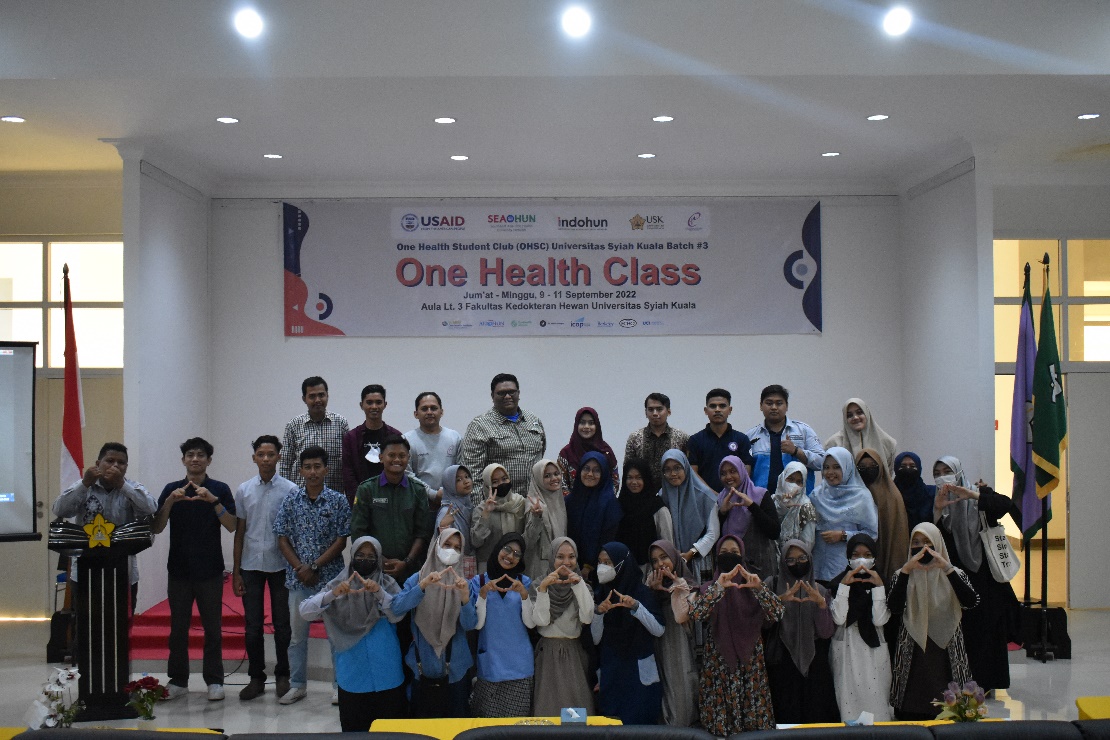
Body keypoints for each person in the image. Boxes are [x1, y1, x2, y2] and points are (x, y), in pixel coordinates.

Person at [152, 437, 237, 702]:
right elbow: (156, 527)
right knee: (178, 629)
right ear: (183, 460)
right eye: (190, 455)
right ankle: (178, 680)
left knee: (212, 628)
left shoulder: (219, 489)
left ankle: (215, 681)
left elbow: (232, 525)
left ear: (209, 460)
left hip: (210, 570)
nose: (195, 459)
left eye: (201, 455)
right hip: (179, 570)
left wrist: (213, 501)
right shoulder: (172, 489)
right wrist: (170, 501)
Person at [932, 455, 1022, 694]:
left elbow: (1005, 505)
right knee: (963, 631)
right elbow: (934, 538)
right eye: (937, 473)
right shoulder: (939, 502)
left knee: (987, 630)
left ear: (958, 473)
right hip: (957, 579)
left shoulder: (979, 495)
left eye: (947, 471)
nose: (942, 477)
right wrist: (938, 509)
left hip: (985, 578)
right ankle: (962, 681)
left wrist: (972, 495)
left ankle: (987, 682)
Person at [298, 536, 406, 731]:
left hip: (387, 673)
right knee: (355, 731)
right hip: (353, 675)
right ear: (352, 556)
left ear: (378, 559)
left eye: (371, 556)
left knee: (391, 732)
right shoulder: (338, 584)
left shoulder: (387, 584)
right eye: (360, 555)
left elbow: (397, 615)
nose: (365, 560)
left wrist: (379, 593)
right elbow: (305, 612)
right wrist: (333, 594)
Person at [272, 445, 351, 705]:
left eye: (317, 466)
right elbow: (282, 537)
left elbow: (341, 540)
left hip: (331, 580)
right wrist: (300, 568)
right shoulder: (291, 500)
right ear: (301, 470)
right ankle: (297, 685)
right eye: (307, 467)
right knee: (297, 637)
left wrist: (314, 566)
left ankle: (339, 686)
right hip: (298, 580)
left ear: (326, 469)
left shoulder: (338, 500)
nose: (313, 472)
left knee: (336, 636)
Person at [687, 535, 784, 735]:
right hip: (719, 668)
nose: (729, 556)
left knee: (754, 728)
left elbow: (778, 613)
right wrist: (719, 588)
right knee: (721, 730)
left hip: (751, 668)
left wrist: (759, 588)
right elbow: (697, 614)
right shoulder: (709, 588)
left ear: (743, 556)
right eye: (724, 553)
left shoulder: (753, 587)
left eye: (734, 553)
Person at [888, 522, 979, 721]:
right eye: (916, 543)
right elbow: (894, 607)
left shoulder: (955, 573)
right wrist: (906, 571)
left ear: (938, 544)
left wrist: (946, 568)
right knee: (911, 707)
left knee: (950, 708)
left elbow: (971, 602)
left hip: (947, 647)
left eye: (928, 542)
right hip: (913, 644)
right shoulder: (901, 574)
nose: (923, 548)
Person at [232, 435, 299, 701]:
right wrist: (236, 571)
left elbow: (294, 532)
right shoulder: (244, 490)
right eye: (261, 454)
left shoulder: (291, 490)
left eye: (271, 454)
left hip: (281, 565)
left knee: (282, 625)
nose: (266, 459)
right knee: (252, 626)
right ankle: (256, 678)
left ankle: (283, 675)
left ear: (279, 457)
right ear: (254, 458)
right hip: (251, 566)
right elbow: (240, 532)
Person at [52, 442, 156, 612]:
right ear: (98, 464)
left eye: (121, 463)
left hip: (123, 569)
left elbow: (150, 508)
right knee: (85, 621)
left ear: (126, 467)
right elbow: (59, 509)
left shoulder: (133, 487)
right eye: (110, 461)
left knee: (121, 621)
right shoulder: (84, 486)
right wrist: (84, 483)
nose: (115, 466)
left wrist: (121, 485)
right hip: (86, 568)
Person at [390, 527, 476, 718]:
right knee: (423, 727)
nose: (451, 551)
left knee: (456, 726)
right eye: (447, 544)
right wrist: (422, 586)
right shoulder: (418, 579)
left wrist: (464, 599)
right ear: (436, 546)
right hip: (422, 667)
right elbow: (396, 609)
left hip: (456, 670)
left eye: (457, 547)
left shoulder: (465, 584)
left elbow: (470, 625)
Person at [765, 539, 839, 725]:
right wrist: (779, 601)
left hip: (815, 665)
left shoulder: (820, 590)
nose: (797, 563)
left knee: (816, 719)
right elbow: (763, 625)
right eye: (790, 560)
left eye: (802, 558)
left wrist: (821, 604)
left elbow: (826, 633)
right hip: (781, 663)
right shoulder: (772, 585)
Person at [592, 542, 665, 725]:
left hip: (638, 675)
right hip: (612, 673)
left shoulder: (642, 592)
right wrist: (599, 613)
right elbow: (595, 639)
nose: (602, 567)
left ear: (622, 563)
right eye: (600, 562)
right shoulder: (600, 594)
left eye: (608, 562)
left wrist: (636, 607)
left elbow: (658, 629)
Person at [469, 533, 535, 718]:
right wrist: (482, 595)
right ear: (498, 548)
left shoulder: (524, 582)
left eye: (517, 554)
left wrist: (524, 596)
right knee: (487, 725)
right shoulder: (479, 582)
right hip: (490, 664)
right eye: (507, 549)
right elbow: (477, 625)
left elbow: (531, 623)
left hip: (519, 667)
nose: (510, 556)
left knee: (516, 727)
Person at [828, 534, 893, 722]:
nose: (861, 560)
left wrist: (878, 587)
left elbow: (880, 620)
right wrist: (844, 587)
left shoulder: (883, 582)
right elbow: (839, 618)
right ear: (848, 557)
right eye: (855, 555)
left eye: (867, 555)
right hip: (847, 648)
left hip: (874, 650)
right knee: (847, 702)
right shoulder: (837, 583)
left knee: (877, 701)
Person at [349, 435, 431, 582]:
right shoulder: (366, 489)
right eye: (391, 455)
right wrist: (380, 560)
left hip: (410, 570)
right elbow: (358, 531)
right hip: (373, 569)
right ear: (381, 458)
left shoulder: (418, 490)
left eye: (402, 456)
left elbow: (422, 533)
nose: (397, 460)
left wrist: (407, 562)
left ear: (408, 458)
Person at [530, 537, 596, 716]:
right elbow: (541, 621)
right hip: (548, 653)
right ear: (552, 558)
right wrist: (543, 589)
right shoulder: (539, 584)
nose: (566, 562)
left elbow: (587, 617)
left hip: (573, 653)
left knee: (576, 708)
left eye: (571, 557)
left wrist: (578, 585)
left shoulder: (582, 586)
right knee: (548, 707)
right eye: (560, 557)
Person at [458, 373, 547, 504]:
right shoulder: (479, 426)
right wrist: (481, 511)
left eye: (512, 392)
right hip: (500, 506)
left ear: (518, 393)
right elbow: (473, 475)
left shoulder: (533, 420)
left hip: (534, 503)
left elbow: (540, 454)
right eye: (501, 393)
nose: (507, 396)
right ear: (492, 396)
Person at [644, 540, 698, 727]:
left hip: (679, 642)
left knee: (681, 682)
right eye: (655, 561)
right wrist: (652, 591)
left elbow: (686, 614)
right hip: (658, 642)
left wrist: (674, 587)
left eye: (664, 557)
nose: (660, 564)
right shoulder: (650, 583)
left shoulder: (687, 582)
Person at [810, 447, 879, 583]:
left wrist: (843, 535)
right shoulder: (816, 495)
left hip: (846, 567)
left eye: (837, 467)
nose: (830, 472)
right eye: (826, 467)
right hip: (818, 565)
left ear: (847, 467)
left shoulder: (862, 497)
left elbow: (871, 534)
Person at [744, 384, 825, 498]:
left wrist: (796, 451)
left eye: (779, 403)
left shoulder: (803, 430)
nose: (774, 407)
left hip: (798, 502)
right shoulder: (750, 436)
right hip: (761, 502)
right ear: (761, 406)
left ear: (786, 406)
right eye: (769, 403)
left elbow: (821, 462)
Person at [716, 455, 781, 579]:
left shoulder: (760, 495)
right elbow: (715, 536)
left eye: (733, 471)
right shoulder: (721, 499)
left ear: (742, 471)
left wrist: (751, 506)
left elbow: (774, 532)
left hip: (760, 569)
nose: (728, 477)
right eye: (723, 473)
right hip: (731, 570)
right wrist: (722, 512)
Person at [281, 376, 349, 493]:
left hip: (334, 495)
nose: (317, 400)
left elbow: (348, 461)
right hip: (301, 496)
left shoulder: (341, 423)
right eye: (312, 396)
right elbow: (285, 465)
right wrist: (286, 495)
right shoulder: (294, 425)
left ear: (327, 396)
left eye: (321, 395)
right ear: (304, 399)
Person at [659, 449, 719, 583]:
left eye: (677, 468)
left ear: (686, 467)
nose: (673, 474)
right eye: (667, 469)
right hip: (671, 562)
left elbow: (713, 533)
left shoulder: (705, 496)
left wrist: (691, 553)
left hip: (700, 559)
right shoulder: (661, 496)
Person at [342, 384, 403, 504]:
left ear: (385, 404)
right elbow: (348, 473)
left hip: (390, 499)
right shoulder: (351, 438)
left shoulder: (396, 436)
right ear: (361, 405)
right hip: (360, 500)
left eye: (378, 402)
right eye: (369, 402)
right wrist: (358, 500)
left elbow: (400, 468)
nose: (374, 407)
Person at [855, 449, 909, 585]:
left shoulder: (892, 495)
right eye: (862, 467)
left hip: (886, 552)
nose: (868, 470)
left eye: (873, 466)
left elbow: (897, 535)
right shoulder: (851, 494)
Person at [564, 452, 622, 575]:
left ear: (603, 473)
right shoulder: (570, 501)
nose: (590, 474)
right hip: (568, 566)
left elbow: (608, 539)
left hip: (598, 570)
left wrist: (589, 566)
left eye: (596, 470)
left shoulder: (610, 504)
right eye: (586, 468)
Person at [688, 388, 755, 492]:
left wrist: (732, 494)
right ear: (706, 410)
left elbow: (746, 472)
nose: (717, 410)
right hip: (704, 498)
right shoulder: (695, 440)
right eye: (713, 406)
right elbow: (693, 473)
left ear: (730, 410)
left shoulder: (742, 439)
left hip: (736, 496)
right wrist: (712, 495)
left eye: (722, 406)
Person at [615, 459, 674, 573]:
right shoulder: (619, 506)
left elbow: (667, 543)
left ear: (646, 479)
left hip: (651, 570)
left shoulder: (657, 507)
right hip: (623, 569)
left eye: (639, 477)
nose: (634, 482)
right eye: (629, 477)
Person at [405, 391, 462, 506]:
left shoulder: (454, 437)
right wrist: (432, 494)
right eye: (424, 409)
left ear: (441, 412)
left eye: (434, 408)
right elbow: (407, 474)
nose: (429, 412)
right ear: (416, 414)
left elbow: (460, 469)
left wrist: (445, 492)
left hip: (451, 501)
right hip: (419, 502)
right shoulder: (407, 440)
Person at [470, 463, 527, 575]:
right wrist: (486, 514)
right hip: (488, 569)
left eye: (504, 479)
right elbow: (476, 542)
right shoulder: (481, 509)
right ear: (488, 486)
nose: (501, 484)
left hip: (514, 567)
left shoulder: (520, 504)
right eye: (495, 482)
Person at [624, 392, 690, 486]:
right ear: (646, 413)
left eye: (659, 409)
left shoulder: (681, 438)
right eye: (651, 409)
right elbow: (628, 468)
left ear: (669, 412)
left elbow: (688, 469)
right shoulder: (635, 438)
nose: (655, 413)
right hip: (644, 491)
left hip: (674, 491)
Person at [522, 459, 568, 583]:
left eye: (556, 474)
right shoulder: (534, 504)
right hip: (540, 568)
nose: (554, 478)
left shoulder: (560, 500)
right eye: (547, 476)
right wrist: (536, 517)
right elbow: (528, 542)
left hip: (559, 564)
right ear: (538, 479)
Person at [556, 406, 620, 492]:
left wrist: (605, 499)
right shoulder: (566, 453)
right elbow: (561, 484)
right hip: (573, 500)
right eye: (582, 422)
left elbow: (615, 481)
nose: (586, 426)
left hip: (602, 500)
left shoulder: (606, 451)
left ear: (597, 426)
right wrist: (572, 500)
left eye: (591, 423)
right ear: (576, 425)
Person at [824, 398, 898, 472]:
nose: (855, 417)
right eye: (849, 415)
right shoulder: (833, 444)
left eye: (859, 412)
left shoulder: (887, 443)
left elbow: (888, 474)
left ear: (867, 413)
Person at [434, 464, 478, 578]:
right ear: (449, 485)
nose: (466, 481)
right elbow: (441, 543)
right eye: (459, 479)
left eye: (467, 477)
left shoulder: (468, 505)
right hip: (452, 565)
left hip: (469, 560)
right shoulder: (447, 511)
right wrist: (443, 526)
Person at [773, 461, 818, 551]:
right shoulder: (773, 499)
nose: (794, 485)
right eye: (790, 479)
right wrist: (783, 507)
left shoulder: (806, 507)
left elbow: (808, 542)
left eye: (799, 482)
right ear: (783, 478)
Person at [893, 452, 935, 532]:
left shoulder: (931, 493)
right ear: (896, 468)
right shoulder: (889, 494)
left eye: (912, 466)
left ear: (919, 468)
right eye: (903, 466)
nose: (908, 468)